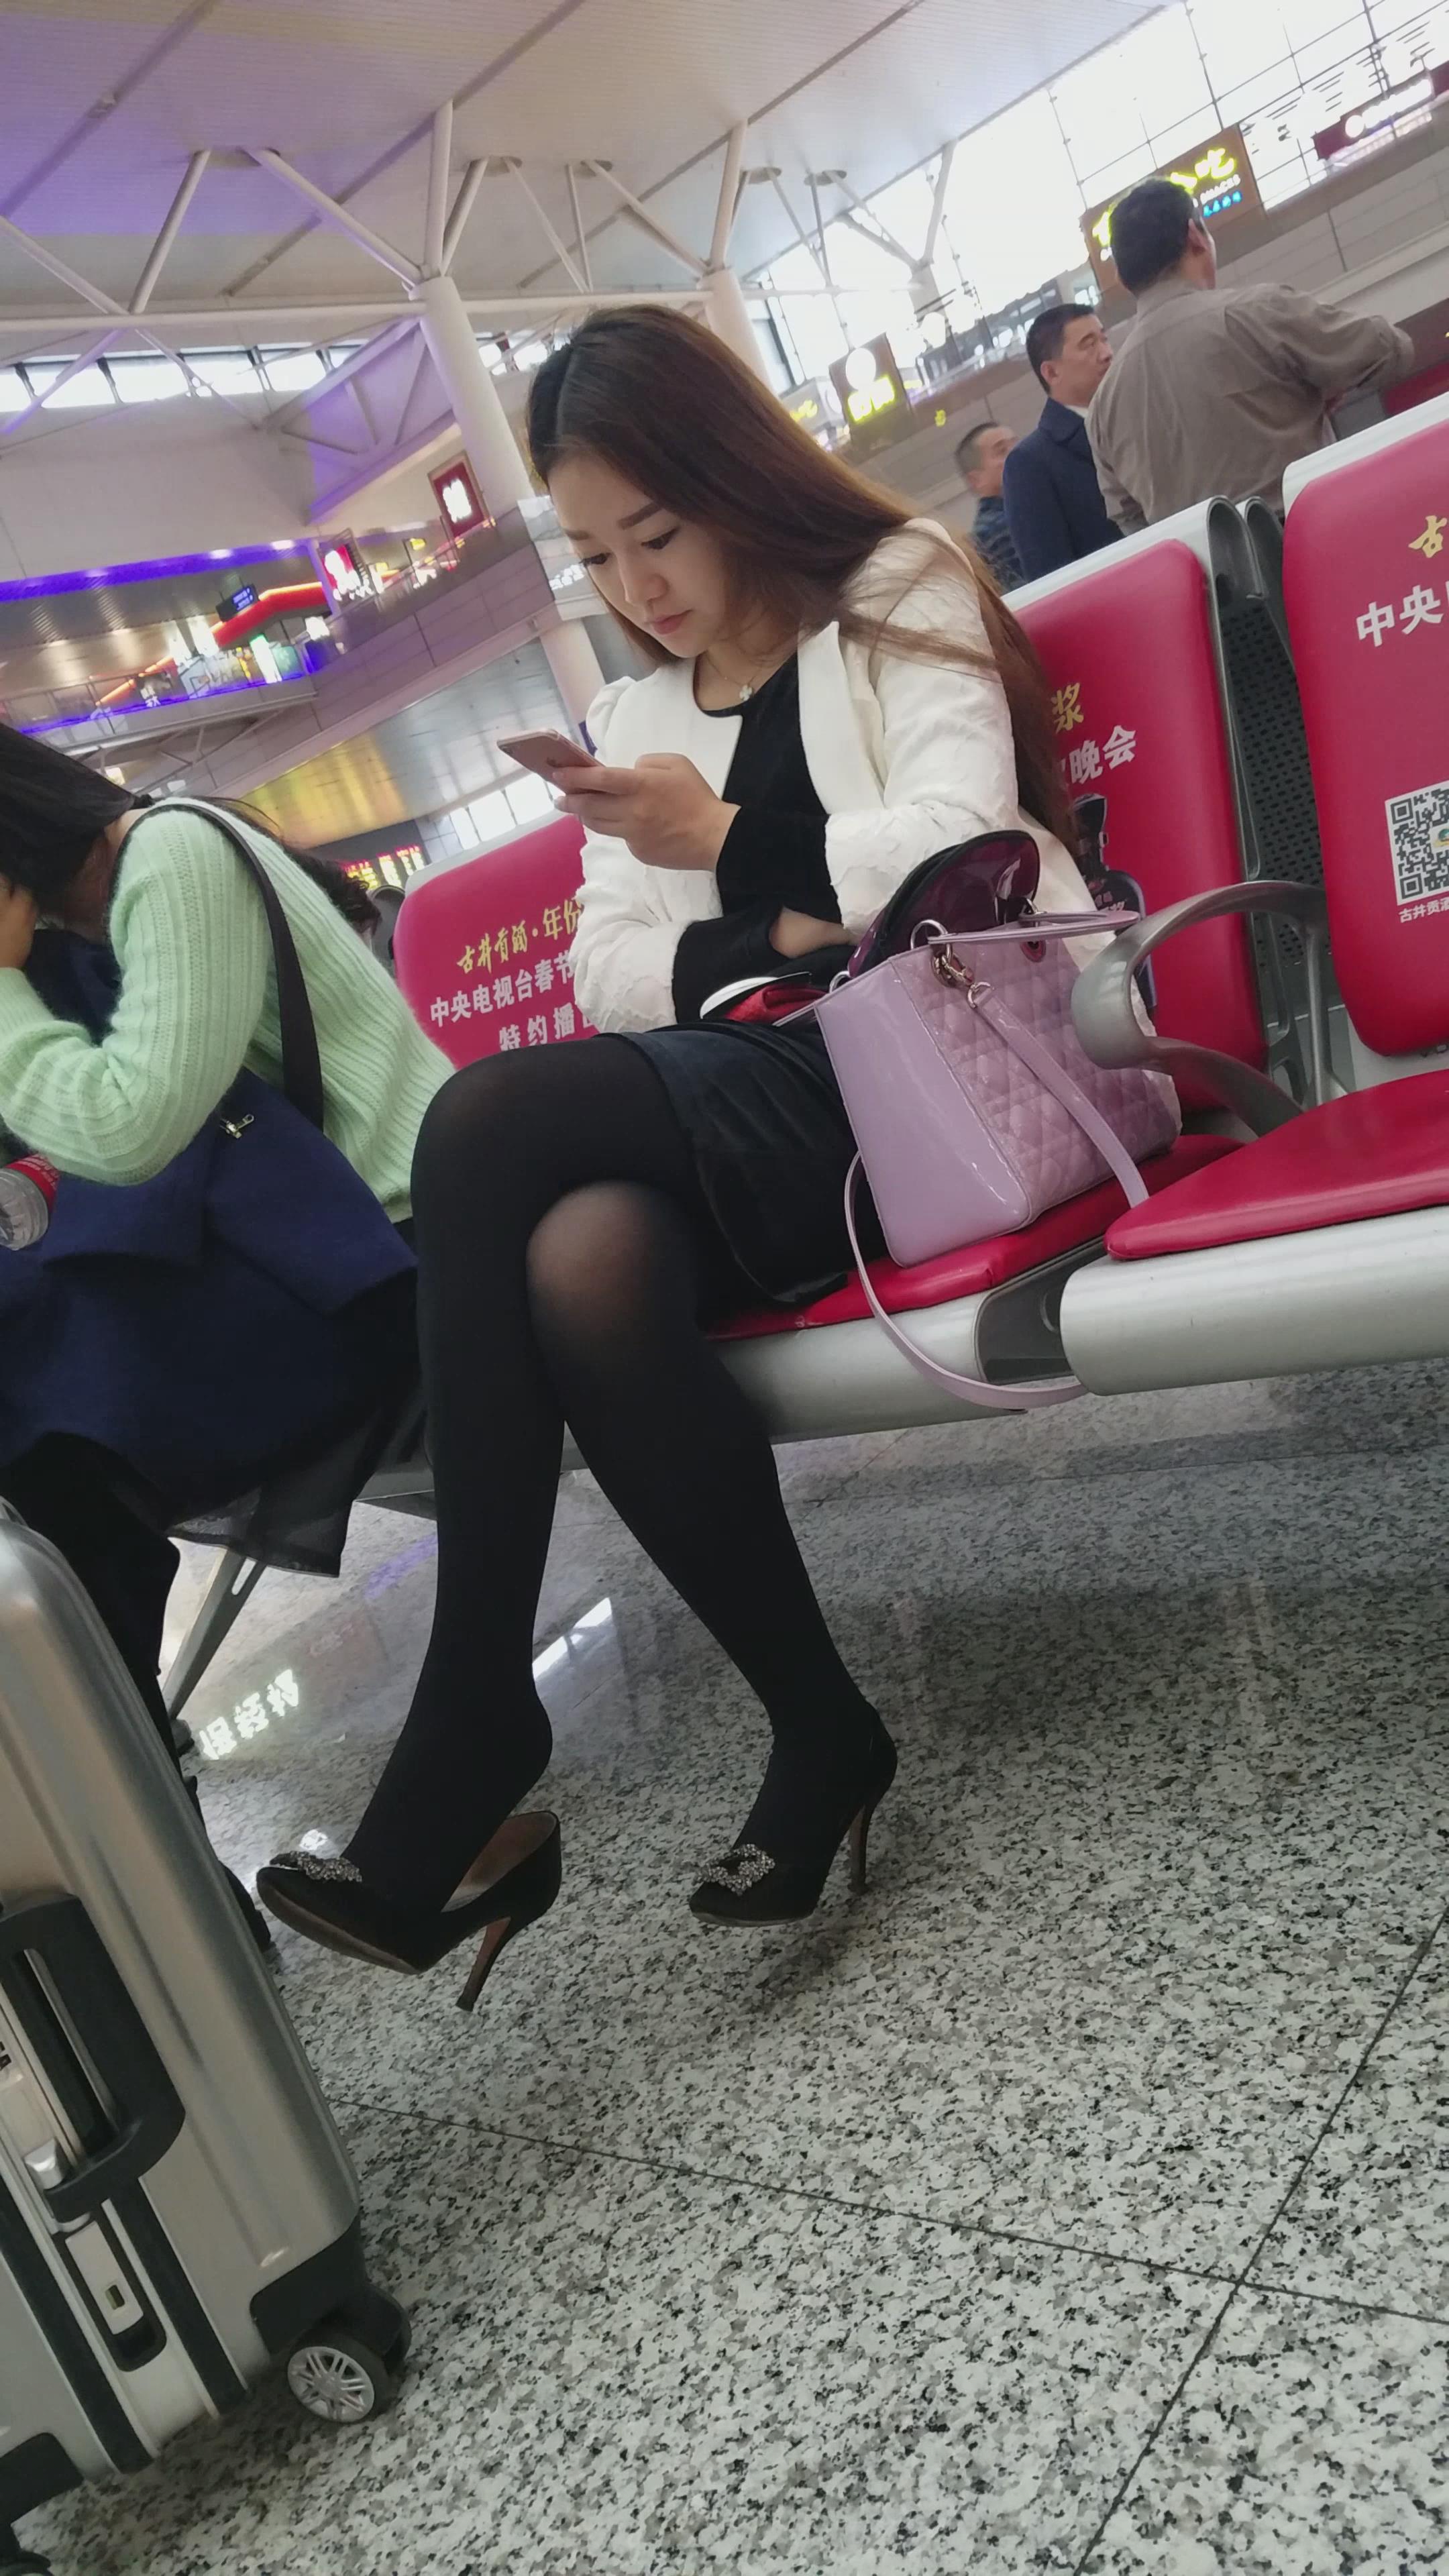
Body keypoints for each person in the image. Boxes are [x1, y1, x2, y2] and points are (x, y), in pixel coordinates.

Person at [259, 303, 1098, 1996]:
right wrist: (780, 917)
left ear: (731, 479)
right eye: (593, 554)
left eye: (656, 533)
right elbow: (605, 971)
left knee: (487, 1120)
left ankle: (477, 1720)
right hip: (758, 1104)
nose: (634, 585)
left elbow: (954, 848)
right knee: (586, 1261)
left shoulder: (900, 588)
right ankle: (818, 1721)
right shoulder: (639, 705)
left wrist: (716, 844)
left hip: (936, 1073)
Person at [0, 737, 451, 1941]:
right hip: (280, 1264)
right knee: (51, 1460)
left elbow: (124, 1131)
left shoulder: (173, 854)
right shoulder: (75, 935)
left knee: (63, 1456)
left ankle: (149, 1854)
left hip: (394, 1248)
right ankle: (135, 1825)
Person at [1089, 179, 1413, 528]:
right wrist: (1328, 384)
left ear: (1122, 277)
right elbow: (1390, 349)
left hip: (1202, 561)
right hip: (1315, 533)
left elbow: (1128, 518)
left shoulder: (1104, 407)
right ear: (1196, 236)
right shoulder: (1260, 313)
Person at [1001, 305, 1119, 581]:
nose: (1107, 353)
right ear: (1052, 373)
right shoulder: (1030, 464)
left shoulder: (1136, 415)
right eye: (1089, 345)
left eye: (1104, 339)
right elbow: (1052, 577)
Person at [953, 422, 1022, 590]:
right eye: (1002, 451)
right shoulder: (997, 530)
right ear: (976, 480)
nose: (1017, 452)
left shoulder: (1019, 512)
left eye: (1016, 443)